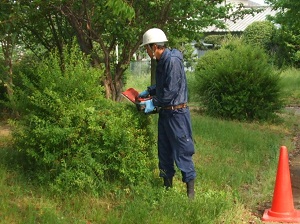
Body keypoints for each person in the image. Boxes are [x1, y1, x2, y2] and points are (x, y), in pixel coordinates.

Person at [139, 28, 196, 199]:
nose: (146, 52)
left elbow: (170, 92)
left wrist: (152, 103)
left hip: (177, 114)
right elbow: (162, 86)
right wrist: (148, 92)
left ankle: (191, 196)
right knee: (164, 151)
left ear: (155, 46)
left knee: (182, 151)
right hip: (166, 113)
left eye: (147, 49)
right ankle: (167, 190)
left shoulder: (172, 61)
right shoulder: (161, 61)